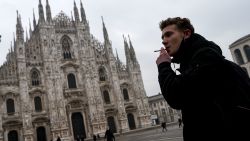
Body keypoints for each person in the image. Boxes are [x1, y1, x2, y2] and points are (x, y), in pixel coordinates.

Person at [156, 17, 250, 141]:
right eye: (162, 37)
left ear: (186, 33)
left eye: (168, 35)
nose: (164, 41)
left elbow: (176, 95)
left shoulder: (207, 58)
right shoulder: (194, 62)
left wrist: (163, 66)